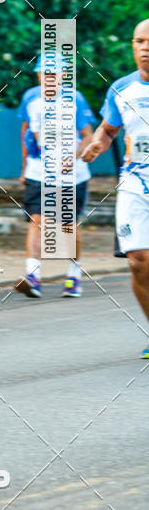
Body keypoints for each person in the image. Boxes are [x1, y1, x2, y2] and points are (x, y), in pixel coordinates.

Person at [82, 18, 149, 357]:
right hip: (136, 184)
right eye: (139, 41)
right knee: (138, 260)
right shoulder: (122, 89)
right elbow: (108, 130)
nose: (145, 47)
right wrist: (97, 143)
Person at [15, 53, 94, 298]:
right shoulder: (30, 97)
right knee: (37, 220)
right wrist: (24, 165)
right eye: (42, 73)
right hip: (39, 172)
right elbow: (26, 131)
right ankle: (33, 277)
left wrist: (74, 158)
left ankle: (73, 275)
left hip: (72, 175)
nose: (47, 78)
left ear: (62, 76)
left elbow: (89, 136)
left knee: (67, 226)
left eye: (52, 74)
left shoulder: (76, 99)